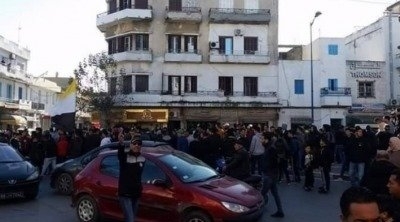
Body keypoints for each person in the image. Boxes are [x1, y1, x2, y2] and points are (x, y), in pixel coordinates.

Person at [117, 133, 145, 222]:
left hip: (136, 194)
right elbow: (120, 154)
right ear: (130, 145)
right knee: (130, 220)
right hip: (125, 195)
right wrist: (121, 143)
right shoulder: (125, 157)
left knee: (131, 218)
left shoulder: (142, 159)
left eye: (139, 144)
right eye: (135, 143)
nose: (137, 145)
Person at [260, 132, 285, 218]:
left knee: (261, 194)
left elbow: (273, 162)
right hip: (272, 174)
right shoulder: (269, 148)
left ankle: (254, 211)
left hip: (269, 175)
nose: (261, 140)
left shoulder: (270, 149)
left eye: (262, 139)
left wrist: (266, 169)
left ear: (266, 140)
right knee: (275, 193)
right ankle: (280, 211)